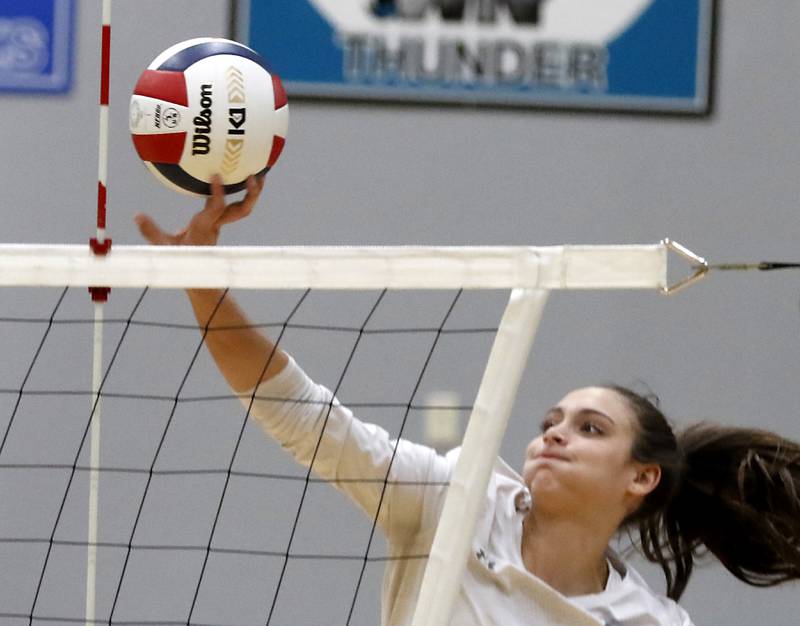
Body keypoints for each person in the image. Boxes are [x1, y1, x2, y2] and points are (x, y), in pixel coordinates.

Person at [136, 177, 800, 626]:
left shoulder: (650, 622)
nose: (552, 436)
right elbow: (300, 414)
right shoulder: (453, 498)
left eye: (590, 428)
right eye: (549, 423)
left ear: (641, 476)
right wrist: (202, 282)